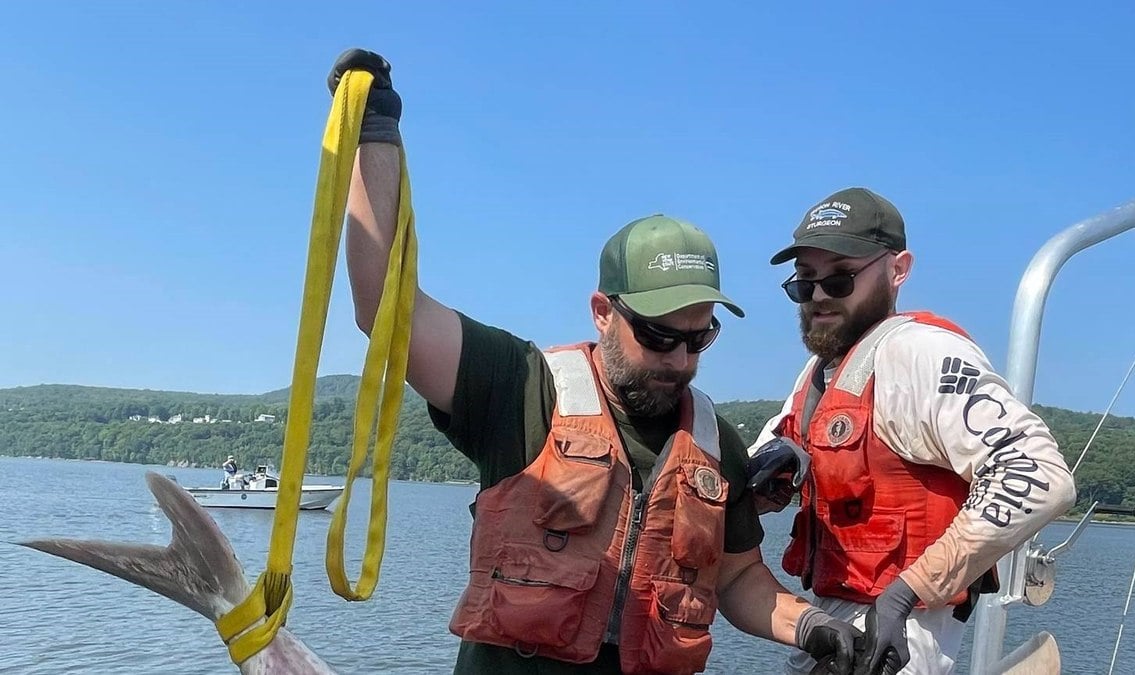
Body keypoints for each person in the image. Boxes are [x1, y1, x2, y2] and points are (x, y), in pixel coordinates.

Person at [329, 49, 862, 675]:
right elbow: (385, 311)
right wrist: (376, 134)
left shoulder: (718, 446)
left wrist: (814, 626)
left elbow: (738, 576)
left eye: (700, 339)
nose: (681, 359)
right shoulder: (520, 388)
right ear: (603, 312)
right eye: (659, 337)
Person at [746, 187, 1078, 675]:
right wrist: (767, 472)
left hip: (898, 639)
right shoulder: (819, 375)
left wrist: (903, 596)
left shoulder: (921, 355)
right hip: (831, 625)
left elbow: (1040, 474)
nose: (818, 296)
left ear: (897, 269)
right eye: (805, 282)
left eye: (839, 279)